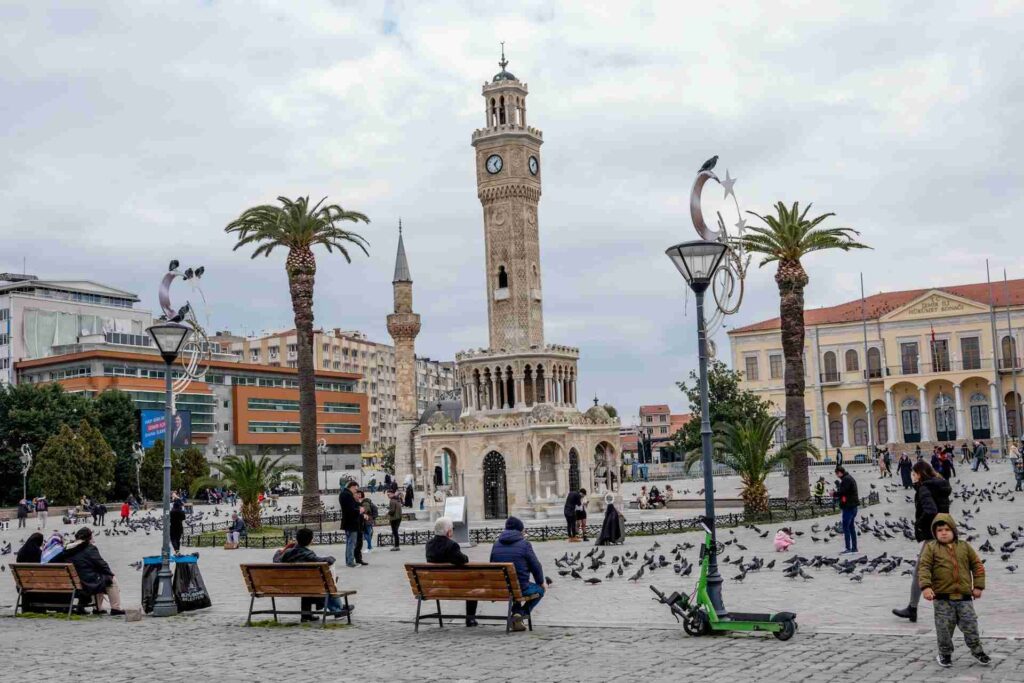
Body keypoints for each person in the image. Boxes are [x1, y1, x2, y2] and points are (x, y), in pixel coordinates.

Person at [917, 514, 990, 668]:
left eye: (947, 529)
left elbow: (977, 566)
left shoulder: (964, 546)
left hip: (964, 598)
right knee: (944, 628)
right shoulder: (931, 548)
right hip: (942, 599)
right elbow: (924, 568)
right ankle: (944, 654)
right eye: (939, 530)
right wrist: (926, 587)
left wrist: (978, 586)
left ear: (954, 531)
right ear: (935, 533)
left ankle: (977, 650)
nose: (943, 533)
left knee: (971, 625)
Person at [893, 460, 951, 623]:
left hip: (933, 536)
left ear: (920, 474)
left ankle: (913, 608)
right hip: (945, 532)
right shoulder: (939, 485)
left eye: (913, 473)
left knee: (919, 572)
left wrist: (919, 524)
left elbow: (931, 510)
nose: (912, 476)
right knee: (941, 571)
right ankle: (947, 608)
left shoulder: (925, 488)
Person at [273, 528, 351, 620]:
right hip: (308, 586)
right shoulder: (308, 554)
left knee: (309, 583)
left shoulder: (287, 553)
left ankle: (307, 615)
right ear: (310, 540)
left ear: (297, 539)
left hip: (289, 586)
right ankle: (338, 609)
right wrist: (331, 558)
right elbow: (327, 561)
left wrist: (280, 551)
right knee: (325, 583)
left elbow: (276, 559)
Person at [489, 517, 544, 632]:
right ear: (520, 530)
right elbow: (536, 566)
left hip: (501, 587)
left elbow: (492, 565)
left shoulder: (496, 544)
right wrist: (541, 582)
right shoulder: (525, 544)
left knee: (513, 588)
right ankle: (520, 613)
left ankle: (516, 614)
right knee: (539, 590)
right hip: (521, 587)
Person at [57, 527, 124, 615]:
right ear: (89, 537)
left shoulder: (67, 548)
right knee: (111, 580)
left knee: (100, 577)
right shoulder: (89, 548)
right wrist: (110, 573)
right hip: (86, 582)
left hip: (73, 583)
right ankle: (116, 608)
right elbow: (101, 564)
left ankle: (99, 608)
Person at [426, 516, 477, 626]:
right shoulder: (451, 545)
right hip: (453, 585)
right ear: (448, 531)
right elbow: (463, 560)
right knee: (473, 587)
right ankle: (470, 619)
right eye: (452, 529)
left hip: (435, 584)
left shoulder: (429, 545)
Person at [835, 466, 859, 554]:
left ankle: (848, 548)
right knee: (851, 527)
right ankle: (854, 548)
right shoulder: (848, 478)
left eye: (837, 474)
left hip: (849, 507)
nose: (837, 476)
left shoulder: (846, 480)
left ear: (840, 472)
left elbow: (843, 492)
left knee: (846, 528)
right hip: (853, 507)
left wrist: (834, 494)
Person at [339, 480, 362, 567]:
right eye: (355, 489)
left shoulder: (344, 494)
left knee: (349, 543)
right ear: (352, 487)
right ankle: (350, 562)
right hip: (351, 522)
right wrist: (359, 510)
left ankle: (348, 560)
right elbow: (350, 509)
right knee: (351, 543)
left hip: (348, 522)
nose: (356, 491)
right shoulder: (347, 495)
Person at [359, 489, 376, 554]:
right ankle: (370, 547)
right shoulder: (365, 502)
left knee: (367, 534)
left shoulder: (365, 502)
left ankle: (369, 547)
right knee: (367, 534)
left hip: (367, 520)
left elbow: (366, 510)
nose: (358, 495)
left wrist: (362, 511)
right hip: (368, 520)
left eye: (359, 494)